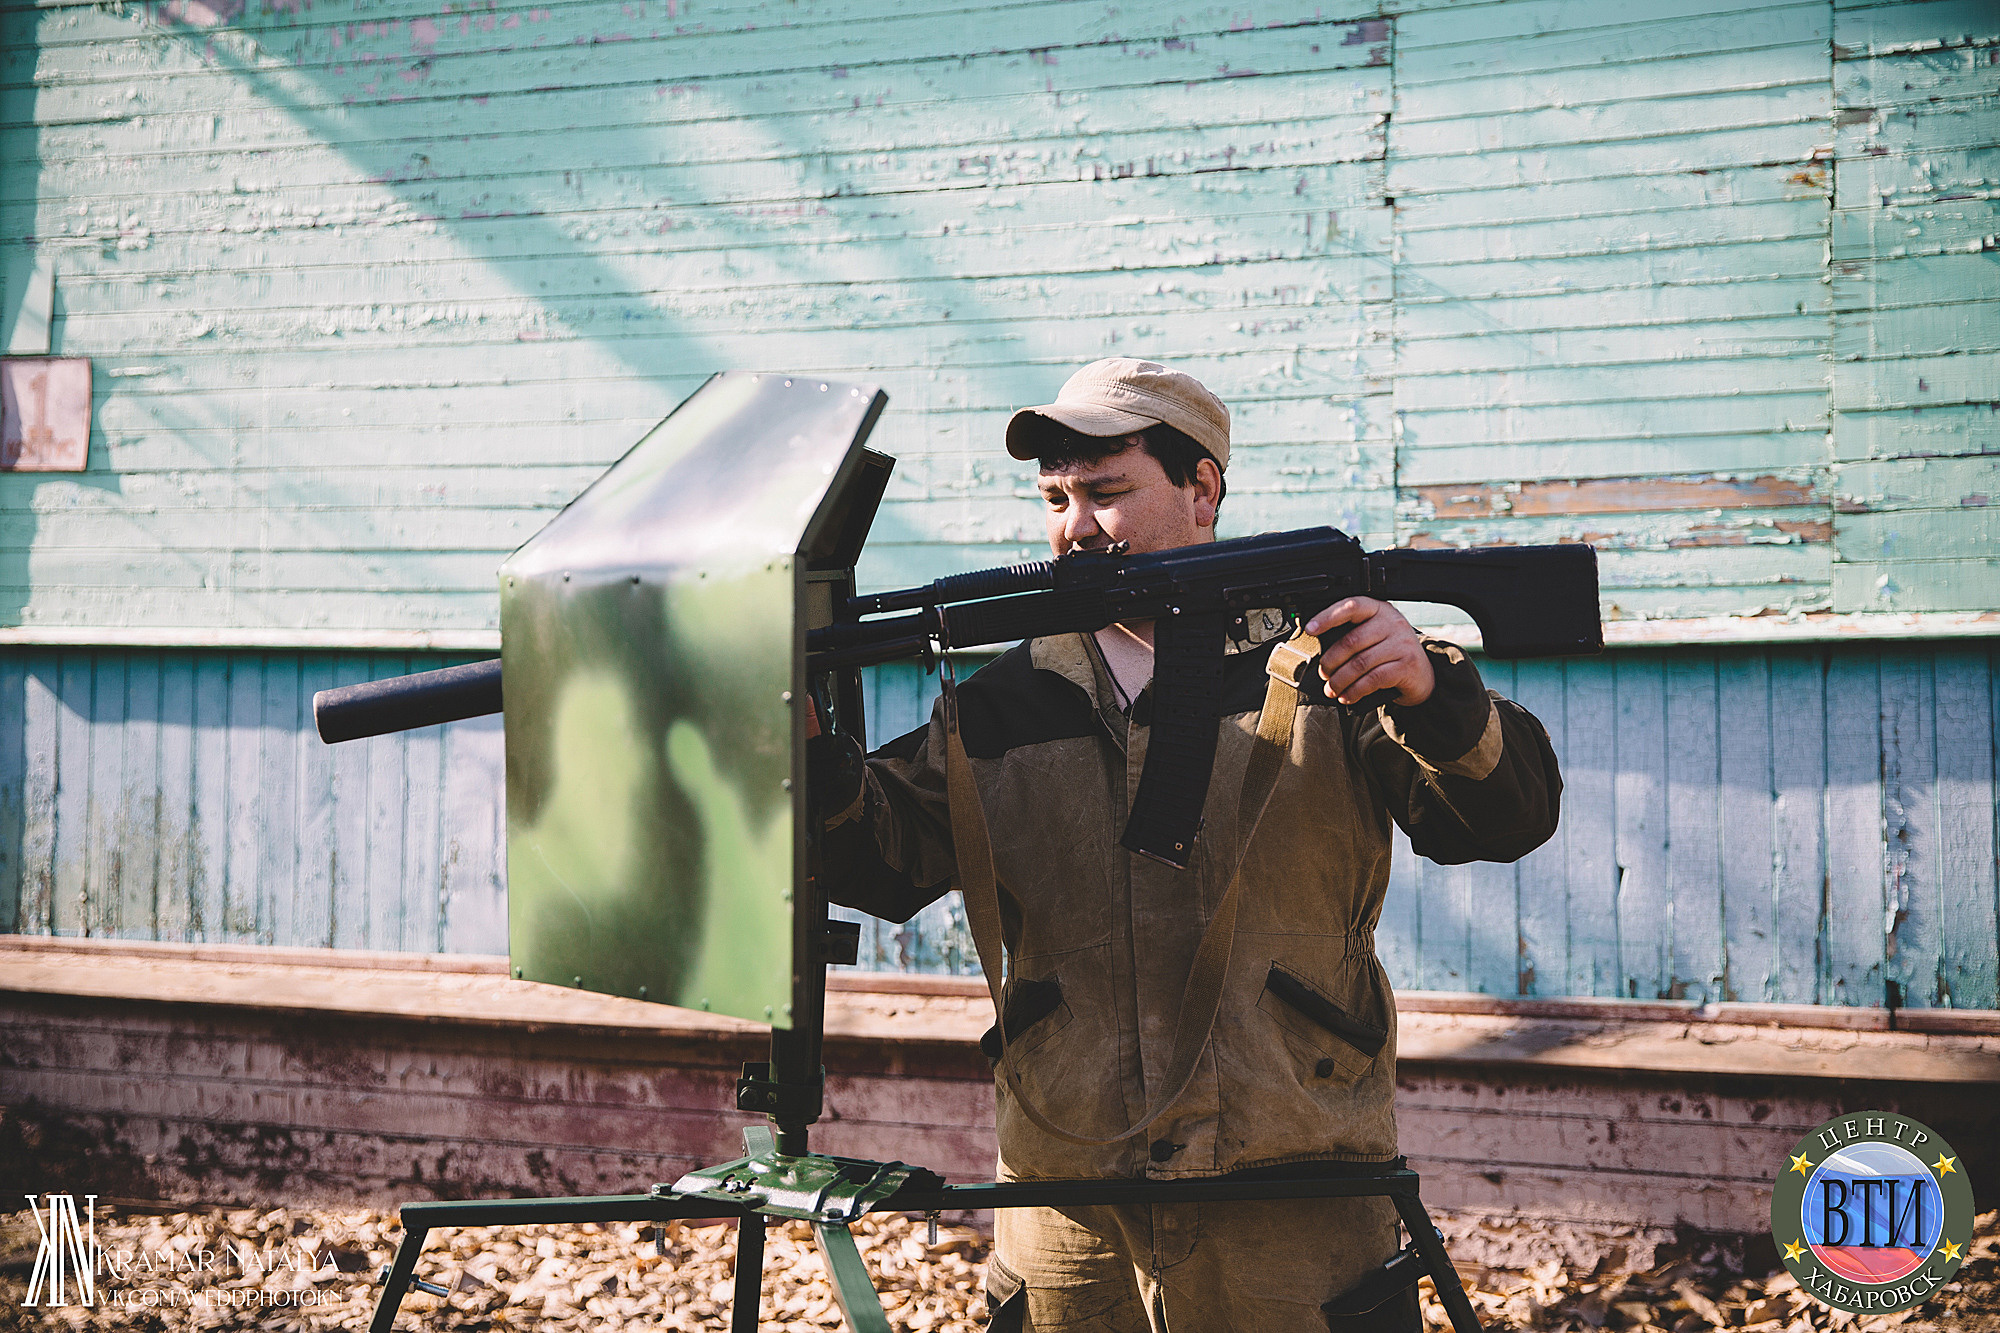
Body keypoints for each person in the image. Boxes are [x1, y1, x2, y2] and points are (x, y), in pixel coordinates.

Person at [821, 358, 1562, 1332]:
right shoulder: (1005, 701)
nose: (1075, 526)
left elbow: (1508, 816)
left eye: (1106, 490)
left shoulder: (1329, 663)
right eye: (1054, 499)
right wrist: (808, 761)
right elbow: (878, 855)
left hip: (1288, 1179)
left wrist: (1431, 691)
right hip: (1069, 1192)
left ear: (1201, 488)